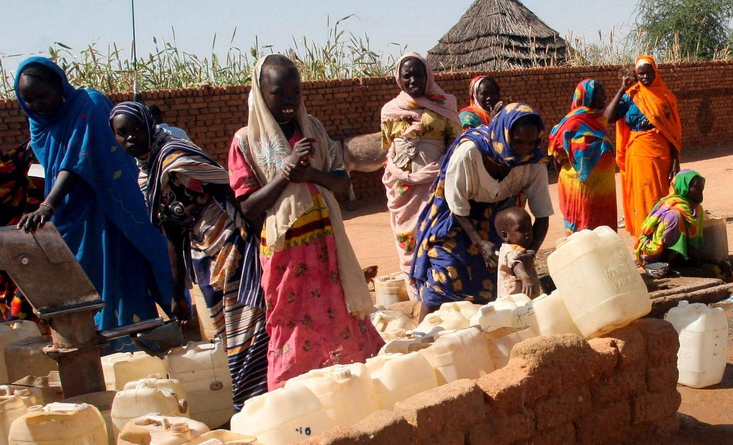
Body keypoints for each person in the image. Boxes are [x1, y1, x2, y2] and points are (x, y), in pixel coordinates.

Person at [228, 54, 382, 390]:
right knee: (290, 327)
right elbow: (249, 208)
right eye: (278, 93)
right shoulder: (245, 142)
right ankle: (294, 402)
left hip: (327, 245)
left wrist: (311, 173)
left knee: (341, 317)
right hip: (286, 256)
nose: (288, 101)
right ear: (260, 92)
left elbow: (342, 183)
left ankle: (352, 391)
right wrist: (285, 173)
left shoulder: (312, 128)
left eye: (294, 92)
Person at [109, 101, 268, 408]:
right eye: (122, 133)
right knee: (227, 330)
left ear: (149, 126)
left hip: (231, 245)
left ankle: (253, 399)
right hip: (203, 255)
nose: (130, 138)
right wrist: (178, 293)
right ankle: (250, 399)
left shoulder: (175, 156)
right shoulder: (146, 175)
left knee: (248, 324)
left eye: (137, 129)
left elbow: (231, 184)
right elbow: (172, 232)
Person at [14, 57, 174, 345]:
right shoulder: (39, 124)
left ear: (60, 87)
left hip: (108, 214)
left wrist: (47, 204)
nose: (36, 104)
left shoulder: (88, 105)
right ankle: (104, 360)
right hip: (71, 220)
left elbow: (77, 160)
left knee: (120, 281)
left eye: (42, 96)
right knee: (83, 291)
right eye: (28, 99)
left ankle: (132, 353)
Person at [410, 103, 552, 311]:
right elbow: (456, 204)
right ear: (504, 134)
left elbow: (542, 214)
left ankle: (477, 335)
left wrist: (529, 253)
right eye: (518, 141)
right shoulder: (469, 152)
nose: (524, 148)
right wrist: (479, 243)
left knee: (493, 284)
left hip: (495, 220)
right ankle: (423, 337)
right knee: (445, 277)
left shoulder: (534, 162)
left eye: (531, 142)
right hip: (455, 218)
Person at [381, 53, 461, 294]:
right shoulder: (390, 111)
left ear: (428, 76)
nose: (413, 80)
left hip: (436, 184)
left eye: (418, 74)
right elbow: (388, 146)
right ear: (399, 79)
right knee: (409, 239)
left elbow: (455, 144)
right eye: (407, 76)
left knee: (438, 235)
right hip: (403, 190)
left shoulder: (444, 105)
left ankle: (440, 293)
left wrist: (437, 171)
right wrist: (403, 174)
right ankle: (418, 296)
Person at [0, 100, 41, 321]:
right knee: (6, 278)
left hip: (14, 225)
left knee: (31, 279)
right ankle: (18, 332)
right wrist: (23, 153)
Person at [605, 55, 682, 237]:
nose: (645, 77)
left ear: (655, 72)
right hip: (638, 153)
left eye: (648, 73)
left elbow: (673, 133)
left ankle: (662, 237)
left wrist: (675, 160)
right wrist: (622, 90)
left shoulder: (666, 98)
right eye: (641, 74)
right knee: (642, 196)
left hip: (661, 153)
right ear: (636, 75)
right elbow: (608, 117)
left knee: (661, 196)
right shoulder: (631, 95)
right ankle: (645, 238)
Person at [549, 79, 617, 235]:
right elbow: (556, 153)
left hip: (603, 189)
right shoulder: (572, 122)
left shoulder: (598, 119)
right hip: (580, 190)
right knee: (583, 232)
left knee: (603, 233)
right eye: (600, 94)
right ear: (587, 97)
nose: (605, 97)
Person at [635, 169, 705, 266]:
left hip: (679, 255)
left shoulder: (696, 208)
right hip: (656, 255)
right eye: (696, 188)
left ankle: (681, 258)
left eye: (701, 188)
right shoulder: (672, 210)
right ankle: (668, 263)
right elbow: (665, 241)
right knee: (675, 218)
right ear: (684, 188)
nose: (700, 193)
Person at [493, 206, 539, 299]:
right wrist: (525, 278)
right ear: (506, 235)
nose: (528, 233)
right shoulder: (511, 250)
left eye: (529, 228)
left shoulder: (518, 248)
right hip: (515, 300)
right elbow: (516, 263)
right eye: (521, 229)